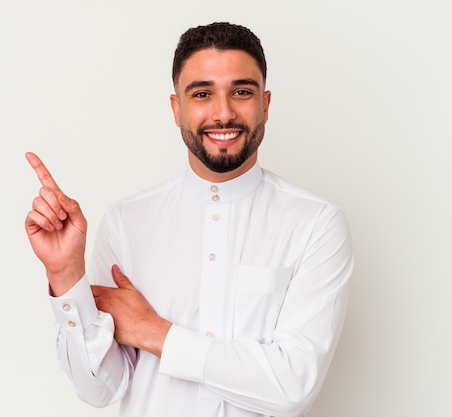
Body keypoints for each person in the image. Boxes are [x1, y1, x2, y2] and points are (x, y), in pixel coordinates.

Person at [25, 22, 353, 417]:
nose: (224, 112)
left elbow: (292, 387)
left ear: (265, 103)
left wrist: (155, 333)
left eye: (242, 92)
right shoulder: (125, 222)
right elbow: (98, 389)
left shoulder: (316, 224)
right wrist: (66, 277)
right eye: (202, 94)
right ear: (176, 108)